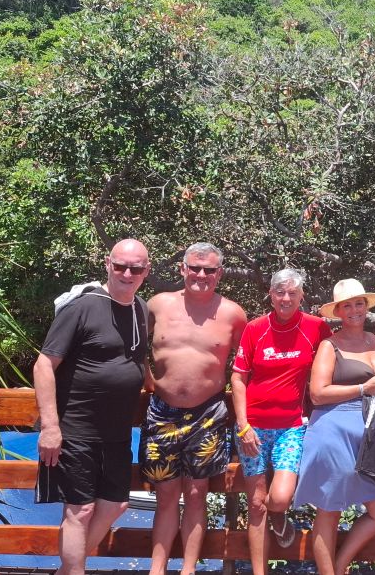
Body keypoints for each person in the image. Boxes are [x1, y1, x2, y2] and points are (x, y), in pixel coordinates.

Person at [34, 239, 151, 575]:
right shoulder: (82, 307)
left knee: (116, 505)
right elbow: (44, 365)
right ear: (107, 264)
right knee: (80, 510)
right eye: (120, 266)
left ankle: (67, 571)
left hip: (117, 433)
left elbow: (136, 360)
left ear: (146, 271)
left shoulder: (141, 309)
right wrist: (50, 427)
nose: (127, 273)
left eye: (135, 268)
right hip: (76, 429)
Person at [140, 243, 247, 575]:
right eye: (195, 268)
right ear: (183, 269)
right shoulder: (158, 304)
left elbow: (247, 364)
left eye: (209, 270)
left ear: (220, 274)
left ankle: (188, 570)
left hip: (208, 414)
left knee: (198, 493)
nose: (202, 275)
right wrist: (147, 378)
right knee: (165, 495)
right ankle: (157, 569)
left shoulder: (233, 313)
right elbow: (131, 343)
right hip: (162, 411)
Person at [231, 268, 333, 575]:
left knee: (279, 498)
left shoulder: (316, 327)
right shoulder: (256, 328)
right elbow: (238, 378)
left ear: (302, 296)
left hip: (291, 426)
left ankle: (279, 515)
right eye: (280, 292)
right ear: (271, 295)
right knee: (256, 503)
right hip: (252, 428)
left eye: (292, 293)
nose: (286, 298)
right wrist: (243, 425)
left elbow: (335, 363)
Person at [292, 279, 375, 575]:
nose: (354, 310)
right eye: (346, 306)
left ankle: (339, 565)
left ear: (366, 306)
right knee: (330, 509)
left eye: (359, 304)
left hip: (373, 433)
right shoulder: (330, 345)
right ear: (337, 312)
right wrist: (362, 388)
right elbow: (317, 393)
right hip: (334, 431)